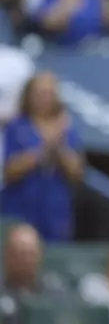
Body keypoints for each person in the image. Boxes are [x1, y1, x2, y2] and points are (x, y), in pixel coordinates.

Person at [1, 72, 84, 242]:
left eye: (50, 93)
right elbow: (9, 171)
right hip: (20, 210)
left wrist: (59, 147)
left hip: (55, 215)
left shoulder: (67, 130)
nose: (45, 99)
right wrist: (41, 151)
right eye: (40, 93)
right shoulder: (16, 127)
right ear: (28, 95)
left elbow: (77, 173)